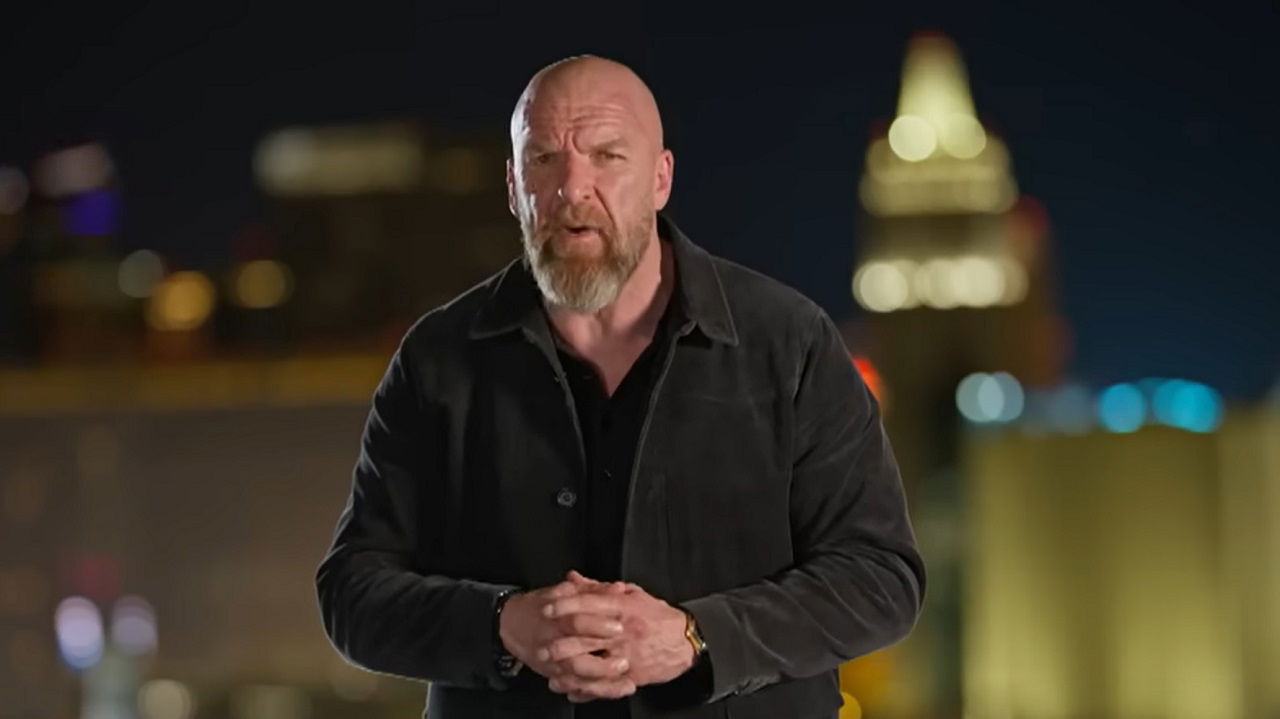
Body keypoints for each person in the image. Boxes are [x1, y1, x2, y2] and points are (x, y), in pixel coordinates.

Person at [316, 55, 925, 719]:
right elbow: (352, 593)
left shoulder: (790, 344)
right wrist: (504, 623)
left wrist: (698, 638)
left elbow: (881, 579)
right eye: (544, 158)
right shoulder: (437, 359)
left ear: (661, 178)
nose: (573, 188)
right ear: (514, 185)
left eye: (607, 155)